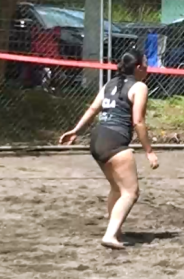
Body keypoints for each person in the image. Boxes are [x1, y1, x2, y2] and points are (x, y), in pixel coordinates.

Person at [58, 48, 159, 249]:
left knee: (117, 188)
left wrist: (76, 131)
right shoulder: (139, 87)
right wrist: (149, 151)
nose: (149, 67)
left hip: (97, 138)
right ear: (139, 67)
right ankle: (110, 235)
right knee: (131, 193)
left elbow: (93, 109)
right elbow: (138, 121)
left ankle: (116, 230)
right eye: (146, 64)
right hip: (114, 141)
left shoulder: (109, 84)